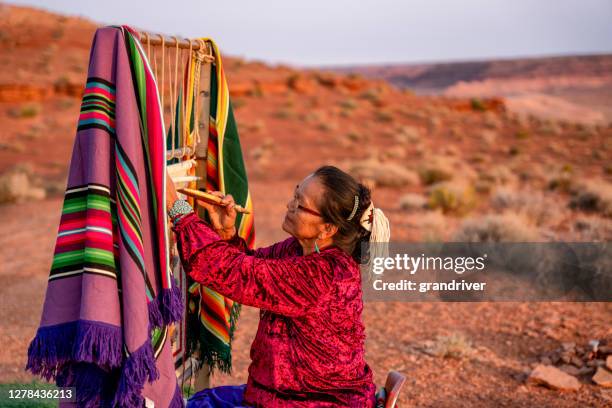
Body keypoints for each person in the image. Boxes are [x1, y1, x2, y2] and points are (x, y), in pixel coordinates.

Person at [166, 165, 390, 407]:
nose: (289, 205)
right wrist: (226, 232)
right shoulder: (298, 250)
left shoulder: (325, 274)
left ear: (328, 228)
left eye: (299, 204)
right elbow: (250, 267)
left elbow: (234, 273)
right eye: (294, 195)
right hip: (282, 394)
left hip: (314, 401)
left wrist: (178, 210)